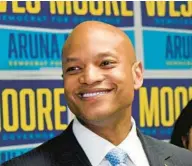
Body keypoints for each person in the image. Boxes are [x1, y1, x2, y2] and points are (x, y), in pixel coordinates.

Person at [1, 21, 192, 166]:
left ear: (137, 74)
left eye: (106, 63)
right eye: (74, 68)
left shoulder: (184, 161)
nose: (89, 78)